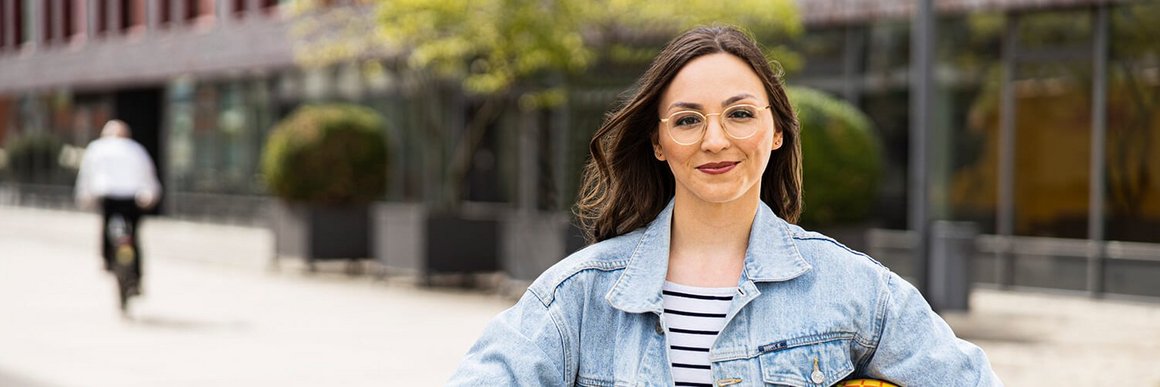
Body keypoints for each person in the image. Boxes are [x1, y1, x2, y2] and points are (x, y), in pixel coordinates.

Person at [449, 26, 1002, 386]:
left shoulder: (854, 289)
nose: (715, 140)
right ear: (659, 143)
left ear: (777, 132)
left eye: (740, 114)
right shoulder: (579, 297)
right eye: (688, 120)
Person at [75, 119, 161, 291]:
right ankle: (135, 278)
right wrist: (151, 194)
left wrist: (84, 196)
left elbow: (87, 175)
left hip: (110, 198)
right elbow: (148, 175)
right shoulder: (136, 149)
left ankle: (108, 261)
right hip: (132, 200)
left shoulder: (97, 148)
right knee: (133, 236)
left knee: (108, 230)